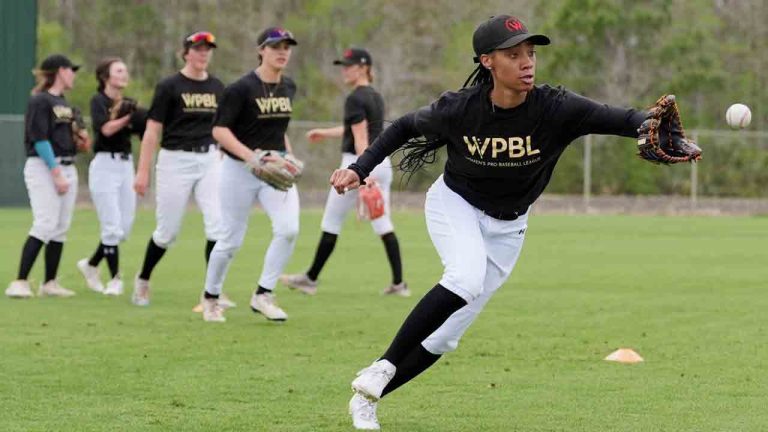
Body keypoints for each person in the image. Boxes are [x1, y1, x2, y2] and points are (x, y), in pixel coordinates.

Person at [331, 15, 669, 430]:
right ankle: (383, 365)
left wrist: (654, 127)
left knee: (444, 338)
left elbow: (619, 118)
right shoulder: (460, 109)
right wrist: (360, 168)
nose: (527, 62)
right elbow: (402, 127)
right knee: (464, 278)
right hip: (455, 205)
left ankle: (367, 400)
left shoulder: (555, 107)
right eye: (514, 55)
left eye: (530, 53)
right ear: (487, 61)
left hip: (510, 226)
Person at [280, 48, 407, 297]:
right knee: (383, 222)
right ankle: (399, 284)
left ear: (363, 68)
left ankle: (311, 279)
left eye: (349, 65)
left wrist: (362, 172)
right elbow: (357, 130)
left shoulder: (355, 98)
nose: (344, 70)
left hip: (358, 164)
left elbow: (360, 138)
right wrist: (324, 133)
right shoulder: (375, 96)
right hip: (382, 163)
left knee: (331, 221)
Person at [199, 27, 300, 323]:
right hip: (239, 169)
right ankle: (210, 297)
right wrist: (251, 157)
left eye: (287, 47)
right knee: (230, 238)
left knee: (288, 229)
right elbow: (219, 130)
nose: (282, 52)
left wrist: (288, 156)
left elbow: (279, 130)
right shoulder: (240, 88)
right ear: (261, 51)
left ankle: (263, 294)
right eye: (275, 46)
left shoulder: (288, 86)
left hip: (274, 169)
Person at [132, 31, 231, 307]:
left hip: (210, 158)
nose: (203, 54)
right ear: (185, 52)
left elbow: (222, 128)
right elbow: (152, 131)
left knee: (217, 226)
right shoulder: (169, 86)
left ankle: (212, 292)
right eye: (198, 49)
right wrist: (143, 171)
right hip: (175, 160)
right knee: (167, 232)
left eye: (207, 49)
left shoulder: (217, 87)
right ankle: (143, 279)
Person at [6, 54, 90, 299]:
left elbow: (63, 138)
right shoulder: (40, 101)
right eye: (71, 70)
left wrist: (79, 140)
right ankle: (19, 282)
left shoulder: (63, 102)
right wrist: (56, 174)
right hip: (44, 167)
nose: (73, 74)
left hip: (67, 165)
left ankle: (49, 283)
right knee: (45, 223)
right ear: (60, 71)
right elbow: (39, 138)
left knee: (60, 227)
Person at [76, 57, 146, 296]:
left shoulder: (129, 103)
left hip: (126, 166)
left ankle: (91, 264)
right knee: (111, 226)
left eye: (125, 70)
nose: (124, 74)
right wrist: (128, 118)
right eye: (119, 71)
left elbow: (139, 132)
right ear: (106, 76)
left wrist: (143, 121)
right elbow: (104, 129)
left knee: (123, 228)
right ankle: (115, 279)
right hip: (105, 165)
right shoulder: (98, 100)